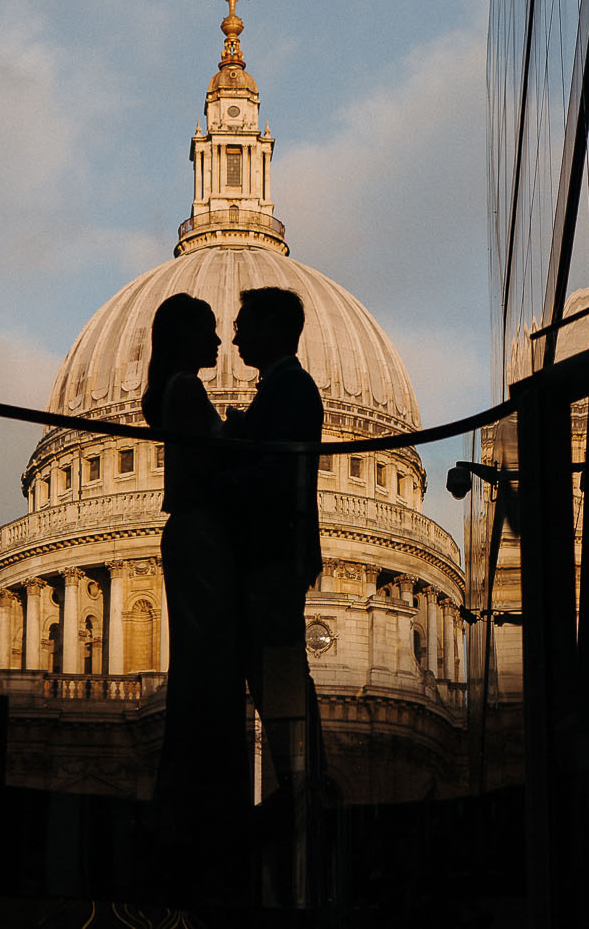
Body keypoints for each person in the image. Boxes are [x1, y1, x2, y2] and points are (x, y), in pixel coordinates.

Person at [222, 284, 326, 904]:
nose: (235, 337)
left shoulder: (290, 387)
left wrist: (230, 453)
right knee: (272, 669)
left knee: (280, 666)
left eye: (243, 325)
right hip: (276, 545)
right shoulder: (285, 387)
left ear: (273, 328)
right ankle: (299, 782)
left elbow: (274, 470)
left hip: (272, 546)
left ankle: (301, 783)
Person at [141, 292, 247, 884]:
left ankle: (182, 811)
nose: (219, 341)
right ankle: (197, 815)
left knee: (200, 673)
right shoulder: (186, 389)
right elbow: (209, 466)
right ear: (183, 336)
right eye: (208, 330)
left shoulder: (174, 388)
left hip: (190, 535)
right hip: (202, 533)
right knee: (208, 675)